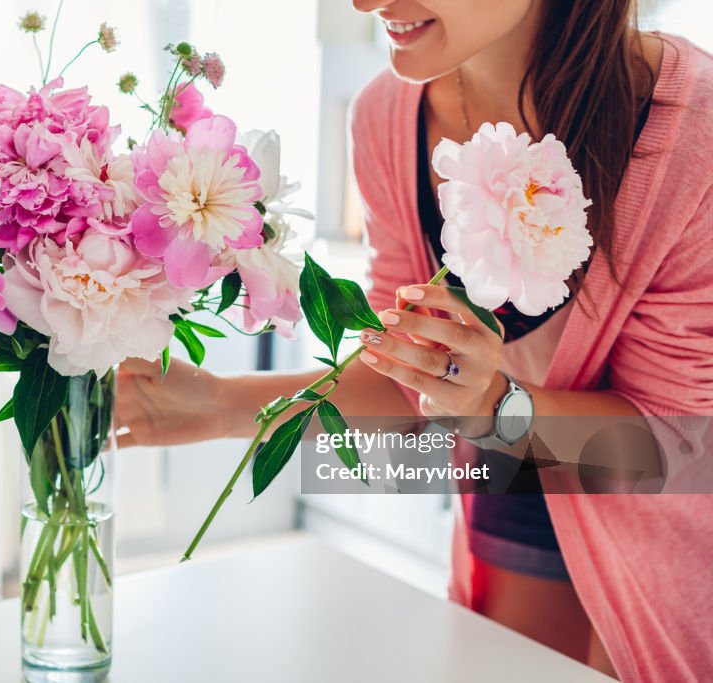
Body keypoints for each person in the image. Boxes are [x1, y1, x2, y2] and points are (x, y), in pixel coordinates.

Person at [117, 1, 713, 680]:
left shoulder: (694, 134)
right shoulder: (386, 118)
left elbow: (673, 446)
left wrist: (496, 410)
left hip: (669, 540)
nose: (366, 2)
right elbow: (407, 380)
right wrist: (223, 406)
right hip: (509, 490)